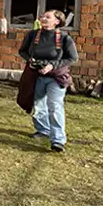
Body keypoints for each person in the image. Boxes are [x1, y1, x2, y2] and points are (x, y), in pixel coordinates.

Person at [18, 9, 78, 152]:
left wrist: (52, 65)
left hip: (56, 78)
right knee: (38, 105)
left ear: (57, 22)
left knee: (54, 106)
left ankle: (58, 140)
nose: (43, 19)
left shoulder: (64, 38)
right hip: (37, 76)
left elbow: (73, 58)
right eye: (43, 17)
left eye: (48, 17)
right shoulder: (32, 35)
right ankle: (42, 130)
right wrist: (30, 61)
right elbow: (23, 51)